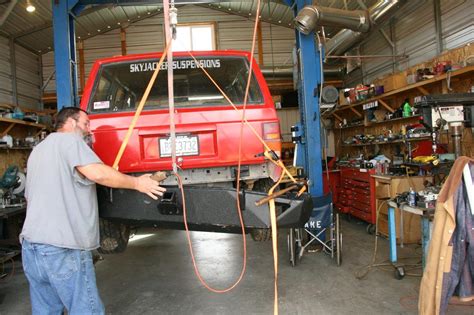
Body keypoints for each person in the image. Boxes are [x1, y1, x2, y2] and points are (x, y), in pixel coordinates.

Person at [20, 107, 166, 314]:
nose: (89, 129)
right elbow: (97, 173)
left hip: (31, 246)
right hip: (62, 246)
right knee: (85, 309)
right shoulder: (70, 142)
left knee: (46, 310)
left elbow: (29, 196)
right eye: (86, 123)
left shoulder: (39, 150)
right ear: (70, 122)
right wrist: (137, 183)